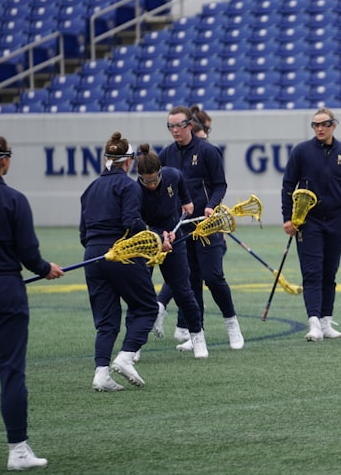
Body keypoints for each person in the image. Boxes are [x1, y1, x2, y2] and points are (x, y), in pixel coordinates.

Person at [0, 134, 64, 470]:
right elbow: (29, 255)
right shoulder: (14, 199)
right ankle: (17, 451)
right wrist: (46, 269)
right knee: (11, 373)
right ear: (4, 161)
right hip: (4, 291)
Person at [159, 106, 244, 350]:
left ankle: (232, 324)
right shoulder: (166, 155)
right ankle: (198, 334)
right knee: (190, 281)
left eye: (178, 125)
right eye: (170, 126)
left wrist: (211, 206)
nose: (174, 130)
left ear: (190, 125)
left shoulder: (208, 151)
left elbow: (220, 184)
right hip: (182, 229)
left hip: (208, 226)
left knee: (213, 277)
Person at [80, 131, 157, 391]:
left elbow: (83, 233)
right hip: (120, 253)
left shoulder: (90, 188)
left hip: (92, 256)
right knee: (148, 307)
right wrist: (153, 239)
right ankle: (125, 356)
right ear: (128, 162)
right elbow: (131, 223)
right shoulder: (128, 186)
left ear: (106, 160)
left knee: (106, 320)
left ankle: (101, 373)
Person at [281, 107, 341, 341]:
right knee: (312, 272)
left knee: (330, 272)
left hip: (337, 220)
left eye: (324, 124)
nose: (319, 128)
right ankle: (314, 321)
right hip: (308, 221)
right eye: (315, 125)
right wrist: (287, 217)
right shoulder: (301, 152)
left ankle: (326, 321)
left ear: (334, 125)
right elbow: (288, 185)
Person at [136, 143, 208, 358]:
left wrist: (186, 202)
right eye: (145, 180)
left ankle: (197, 337)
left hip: (174, 238)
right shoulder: (134, 190)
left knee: (184, 291)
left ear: (160, 172)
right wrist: (158, 237)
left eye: (154, 179)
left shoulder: (172, 175)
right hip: (147, 241)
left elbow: (181, 185)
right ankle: (134, 346)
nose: (150, 184)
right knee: (140, 294)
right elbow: (134, 221)